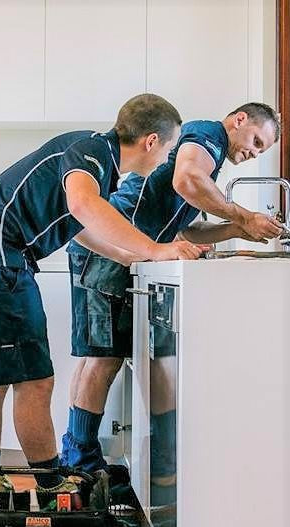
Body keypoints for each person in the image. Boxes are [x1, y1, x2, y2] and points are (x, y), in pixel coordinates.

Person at [0, 93, 204, 494]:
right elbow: (84, 207)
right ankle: (53, 491)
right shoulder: (92, 154)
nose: (164, 159)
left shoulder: (91, 155)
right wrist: (156, 249)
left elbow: (77, 226)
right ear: (151, 141)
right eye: (169, 149)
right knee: (36, 381)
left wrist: (129, 255)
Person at [60, 102, 282, 482]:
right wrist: (244, 216)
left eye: (262, 151)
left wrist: (237, 230)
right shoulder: (207, 136)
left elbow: (185, 230)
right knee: (102, 358)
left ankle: (101, 459)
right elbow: (187, 181)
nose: (253, 153)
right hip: (111, 248)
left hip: (120, 248)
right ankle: (80, 466)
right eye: (256, 141)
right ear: (239, 120)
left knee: (104, 356)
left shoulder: (205, 154)